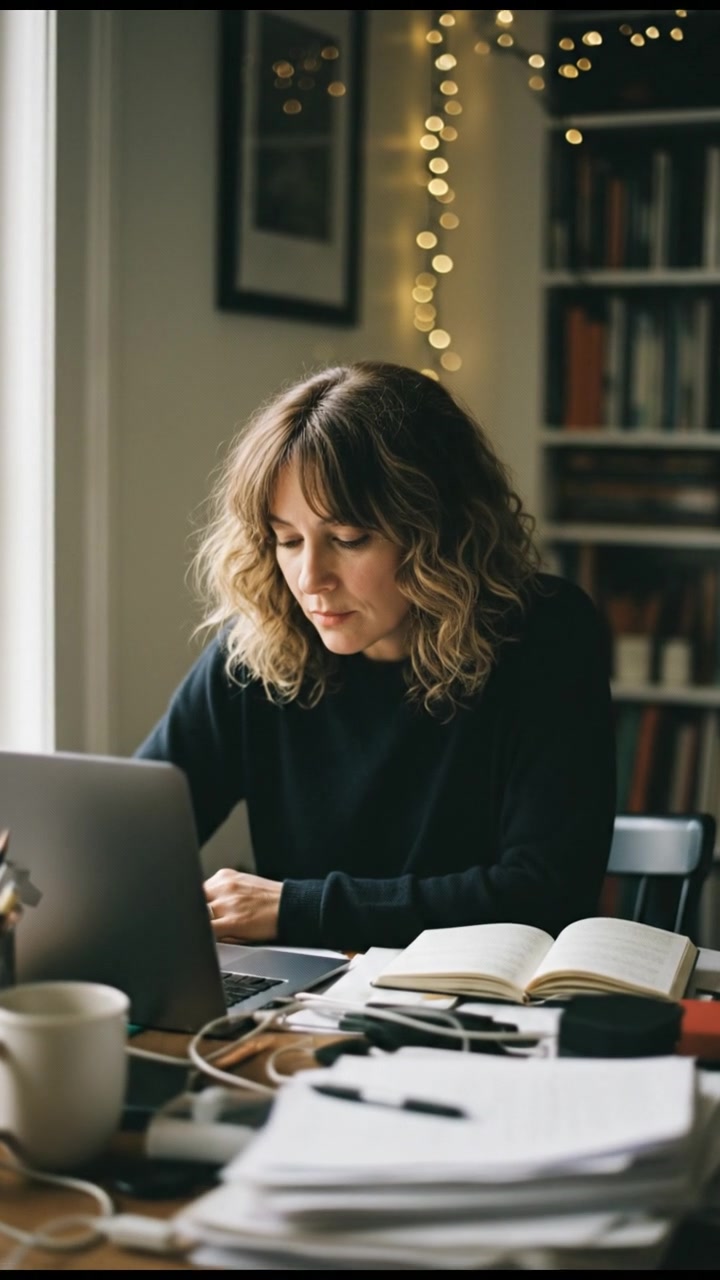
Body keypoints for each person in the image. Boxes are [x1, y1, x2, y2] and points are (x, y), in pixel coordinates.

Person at [136, 361, 616, 953]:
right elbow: (136, 832)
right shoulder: (258, 647)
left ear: (435, 530)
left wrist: (297, 906)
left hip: (476, 1006)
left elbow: (546, 894)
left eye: (348, 538)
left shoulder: (546, 637)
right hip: (305, 1004)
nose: (310, 578)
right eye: (287, 540)